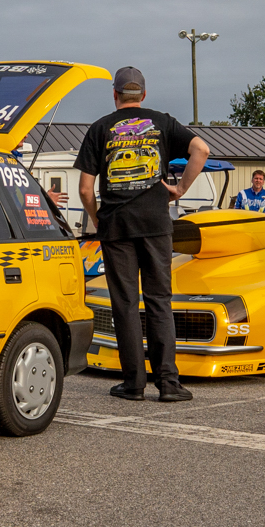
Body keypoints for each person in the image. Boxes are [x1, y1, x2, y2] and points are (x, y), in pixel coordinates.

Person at [75, 66, 210, 403]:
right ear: (144, 95)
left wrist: (98, 219)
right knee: (159, 301)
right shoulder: (163, 122)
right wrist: (180, 188)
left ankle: (133, 383)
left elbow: (85, 189)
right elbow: (202, 150)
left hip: (117, 226)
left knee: (125, 303)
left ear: (115, 94)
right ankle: (168, 383)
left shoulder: (100, 128)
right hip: (155, 223)